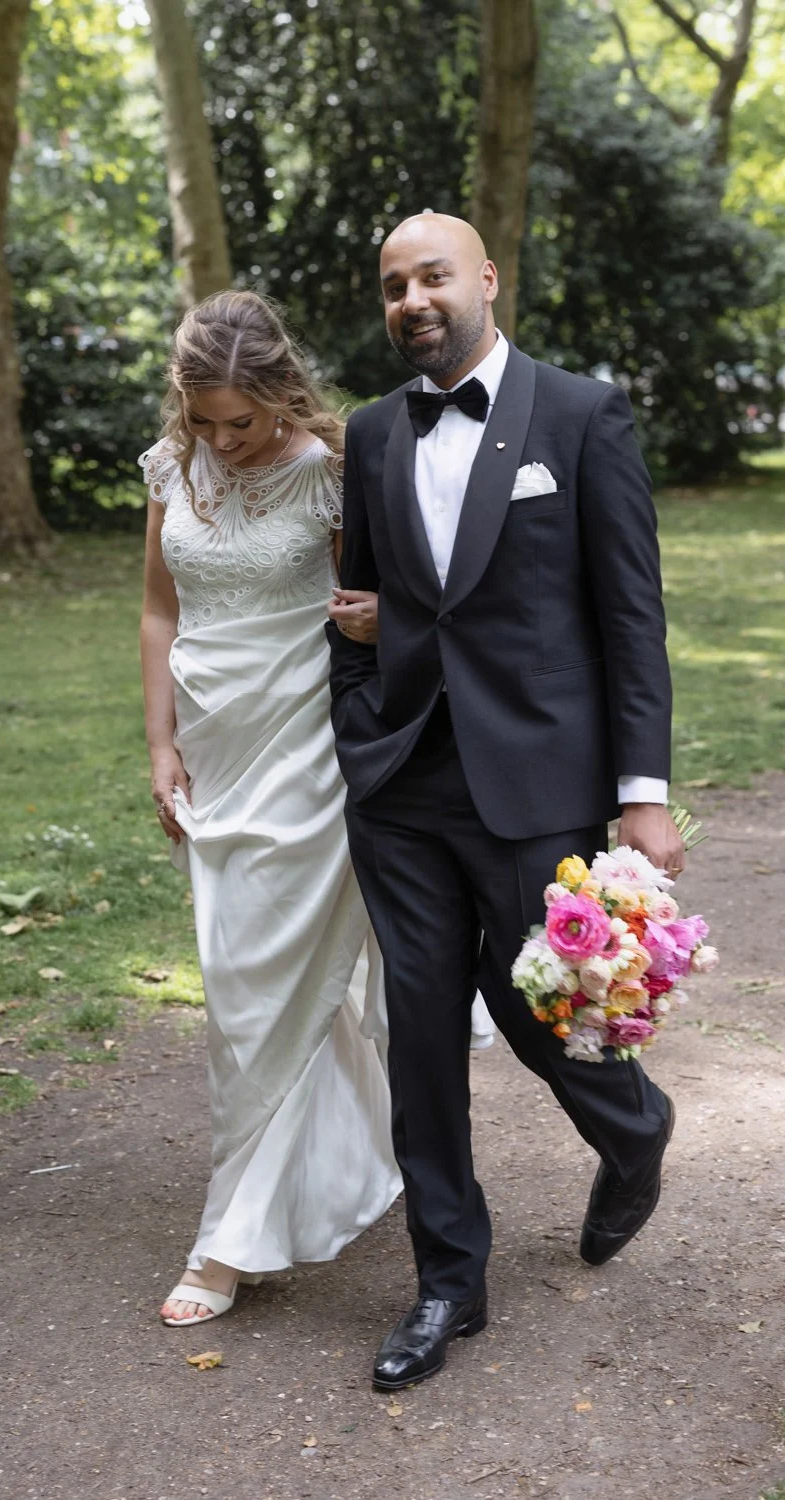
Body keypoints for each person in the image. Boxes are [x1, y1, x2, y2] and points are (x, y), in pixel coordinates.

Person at [328, 214, 685, 1392]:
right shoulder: (371, 433)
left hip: (533, 777)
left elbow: (629, 615)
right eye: (393, 285)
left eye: (432, 276)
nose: (412, 301)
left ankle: (631, 1128)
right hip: (399, 782)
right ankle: (447, 1280)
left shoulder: (582, 415)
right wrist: (358, 722)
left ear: (484, 279)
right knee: (421, 1028)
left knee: (540, 1004)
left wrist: (640, 795)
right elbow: (359, 605)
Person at [138, 289, 404, 1327]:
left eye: (239, 421)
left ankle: (227, 1240)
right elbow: (159, 610)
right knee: (240, 979)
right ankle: (347, 1161)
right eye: (202, 420)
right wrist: (161, 744)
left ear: (282, 393)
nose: (221, 440)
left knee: (264, 988)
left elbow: (372, 614)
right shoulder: (171, 470)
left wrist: (377, 624)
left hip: (306, 748)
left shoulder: (332, 475)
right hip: (212, 748)